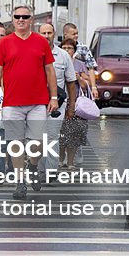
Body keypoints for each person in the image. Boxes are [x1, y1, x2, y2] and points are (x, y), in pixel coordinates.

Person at [0, 4, 59, 200]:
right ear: (12, 19)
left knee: (37, 142)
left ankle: (33, 166)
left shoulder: (40, 42)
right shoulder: (4, 43)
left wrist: (53, 97)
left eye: (25, 17)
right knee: (16, 144)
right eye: (17, 16)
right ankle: (20, 183)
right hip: (12, 103)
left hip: (38, 101)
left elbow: (50, 70)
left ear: (32, 20)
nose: (21, 19)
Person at [40, 22, 77, 174]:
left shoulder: (63, 56)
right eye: (44, 33)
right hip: (36, 104)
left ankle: (51, 170)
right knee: (37, 138)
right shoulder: (33, 53)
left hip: (57, 105)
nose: (47, 36)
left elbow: (71, 83)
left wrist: (71, 106)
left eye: (49, 33)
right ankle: (39, 168)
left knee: (52, 136)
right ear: (38, 34)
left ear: (54, 34)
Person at [58, 38, 89, 170]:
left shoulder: (80, 65)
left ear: (74, 51)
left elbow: (86, 85)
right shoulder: (56, 61)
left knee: (74, 134)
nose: (67, 50)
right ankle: (60, 159)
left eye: (69, 48)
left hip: (76, 103)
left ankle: (71, 161)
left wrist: (78, 78)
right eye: (64, 48)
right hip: (60, 101)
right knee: (61, 133)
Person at [62, 22, 97, 90]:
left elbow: (91, 68)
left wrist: (93, 87)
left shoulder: (84, 48)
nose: (76, 36)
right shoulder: (59, 48)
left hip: (81, 85)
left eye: (77, 33)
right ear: (65, 34)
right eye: (73, 34)